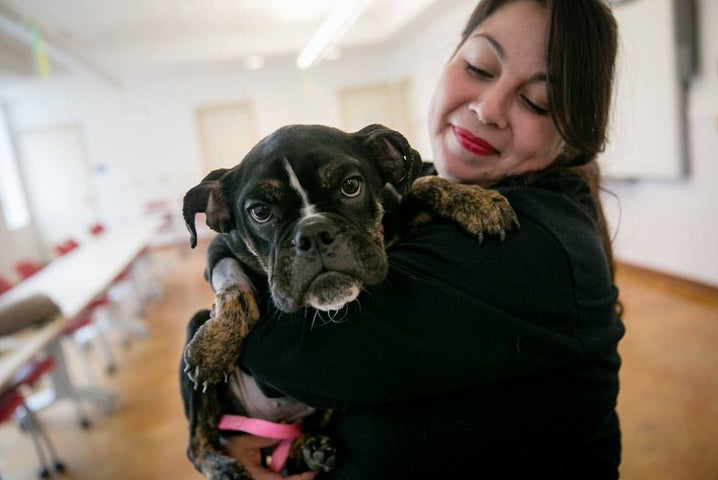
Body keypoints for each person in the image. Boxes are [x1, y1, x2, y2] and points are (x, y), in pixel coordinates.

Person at [197, 0, 625, 478]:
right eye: (479, 67)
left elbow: (297, 357)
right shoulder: (430, 184)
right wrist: (225, 265)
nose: (488, 109)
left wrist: (217, 307)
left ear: (574, 135)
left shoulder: (537, 243)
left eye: (537, 101)